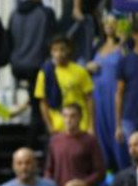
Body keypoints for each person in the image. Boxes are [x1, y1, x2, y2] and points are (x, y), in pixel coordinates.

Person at [8, 0, 57, 144]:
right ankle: (32, 143)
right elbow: (52, 39)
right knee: (40, 107)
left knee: (35, 104)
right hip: (37, 66)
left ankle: (31, 142)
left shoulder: (14, 14)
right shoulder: (45, 13)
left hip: (18, 66)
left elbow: (10, 40)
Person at [35, 35, 95, 135]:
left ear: (68, 50)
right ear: (51, 52)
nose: (59, 54)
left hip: (80, 125)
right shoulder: (45, 73)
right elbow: (43, 102)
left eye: (62, 49)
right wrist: (49, 126)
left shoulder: (80, 71)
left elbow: (89, 99)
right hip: (58, 126)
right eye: (55, 50)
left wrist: (91, 126)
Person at [88, 13, 126, 170]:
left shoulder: (124, 47)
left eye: (113, 23)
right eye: (106, 23)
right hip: (98, 95)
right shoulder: (97, 46)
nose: (109, 26)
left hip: (115, 94)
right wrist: (88, 67)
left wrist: (124, 39)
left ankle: (123, 169)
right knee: (100, 132)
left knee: (117, 133)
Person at [44, 103, 105, 186]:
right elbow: (49, 169)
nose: (68, 120)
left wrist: (83, 183)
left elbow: (100, 172)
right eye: (65, 116)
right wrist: (49, 185)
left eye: (73, 116)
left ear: (80, 117)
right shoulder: (55, 140)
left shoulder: (90, 141)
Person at [116, 22, 138, 153]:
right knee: (132, 156)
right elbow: (119, 93)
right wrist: (118, 125)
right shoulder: (125, 60)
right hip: (129, 117)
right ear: (135, 35)